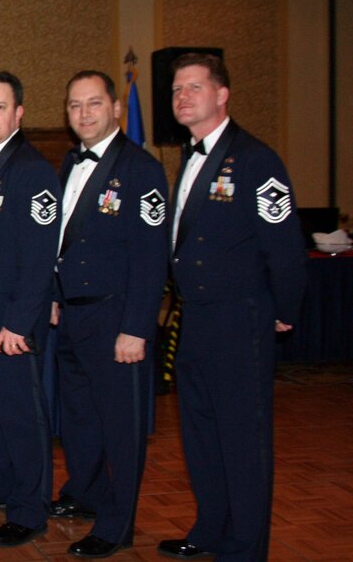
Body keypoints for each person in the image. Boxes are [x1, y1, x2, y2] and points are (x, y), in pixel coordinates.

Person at [158, 54, 306, 561]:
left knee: (242, 441)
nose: (182, 97)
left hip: (239, 320)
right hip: (196, 318)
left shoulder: (256, 160)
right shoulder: (190, 155)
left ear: (222, 95)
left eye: (194, 87)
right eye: (177, 89)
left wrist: (283, 308)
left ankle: (245, 547)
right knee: (200, 435)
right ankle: (211, 529)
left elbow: (284, 245)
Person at [51, 70, 168, 559]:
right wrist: (54, 294)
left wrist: (136, 327)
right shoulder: (67, 163)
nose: (83, 113)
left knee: (121, 426)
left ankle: (117, 524)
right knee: (80, 418)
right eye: (75, 105)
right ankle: (87, 492)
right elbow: (64, 240)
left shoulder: (141, 168)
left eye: (94, 103)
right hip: (73, 316)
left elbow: (151, 254)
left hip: (116, 318)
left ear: (116, 108)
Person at [0, 71, 60, 547]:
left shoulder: (34, 170)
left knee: (21, 413)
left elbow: (41, 256)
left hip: (11, 314)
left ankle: (30, 506)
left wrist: (19, 322)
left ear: (19, 112)